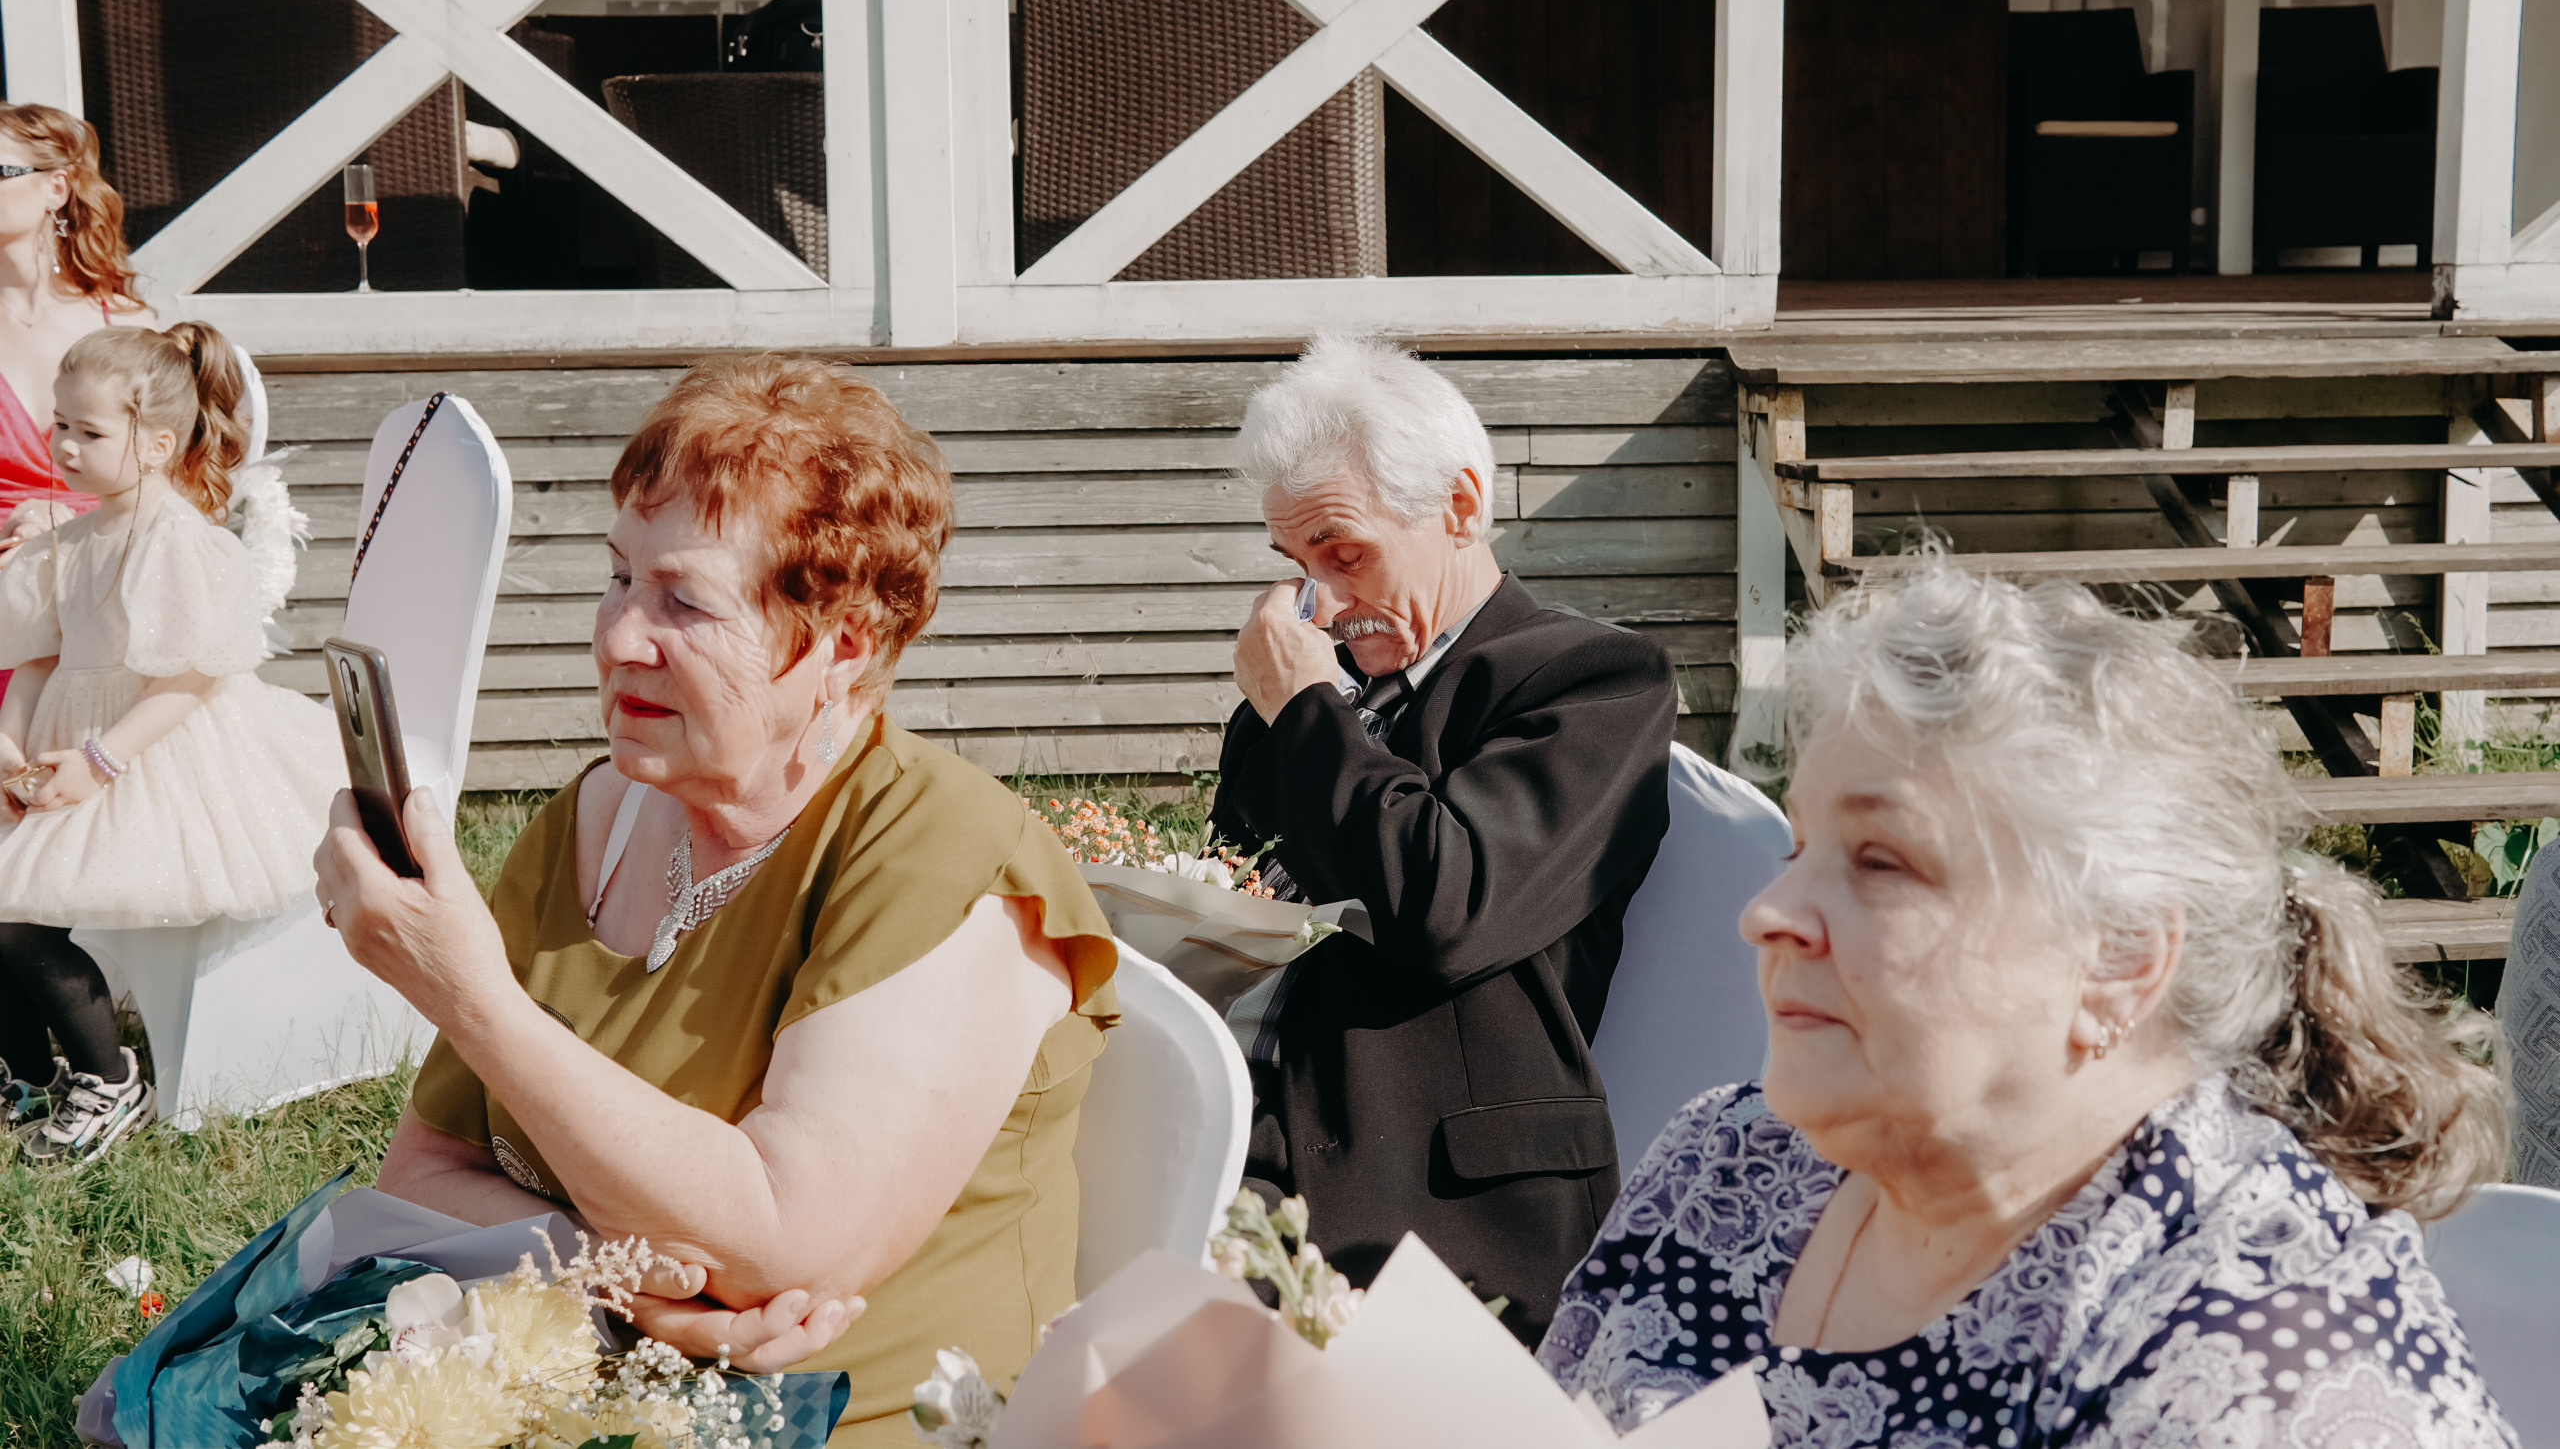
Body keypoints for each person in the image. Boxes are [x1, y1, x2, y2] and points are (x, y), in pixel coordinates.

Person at [318, 356, 1119, 1445]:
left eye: (683, 601)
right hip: (583, 1391)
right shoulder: (588, 821)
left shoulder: (943, 854)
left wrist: (470, 996)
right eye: (618, 579)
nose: (617, 638)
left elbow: (782, 1245)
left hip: (870, 1422)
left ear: (840, 645)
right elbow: (426, 1176)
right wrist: (621, 1277)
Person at [1539, 559, 2515, 1445]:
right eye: (1799, 850)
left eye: (1881, 862)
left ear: (2120, 958)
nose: (1766, 912)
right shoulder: (1727, 1166)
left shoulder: (2264, 1370)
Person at [1210, 335, 1679, 1345]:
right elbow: (1234, 890)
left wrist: (1303, 710)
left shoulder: (1587, 679)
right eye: (1296, 565)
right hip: (1237, 1142)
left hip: (1441, 1197)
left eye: (1345, 553)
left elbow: (1446, 906)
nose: (1319, 604)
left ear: (1461, 507)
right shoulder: (1313, 702)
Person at [0, 324, 342, 1166]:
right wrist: (10, 744)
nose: (65, 445)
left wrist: (102, 760)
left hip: (154, 747)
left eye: (89, 430)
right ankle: (24, 1070)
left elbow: (194, 678)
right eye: (59, 424)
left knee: (22, 918)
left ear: (155, 444)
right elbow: (41, 658)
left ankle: (108, 1077)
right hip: (65, 744)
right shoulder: (69, 545)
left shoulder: (176, 542)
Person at [0, 104, 154, 554]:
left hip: (108, 565)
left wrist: (68, 530)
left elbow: (163, 478)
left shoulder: (125, 326)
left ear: (56, 188)